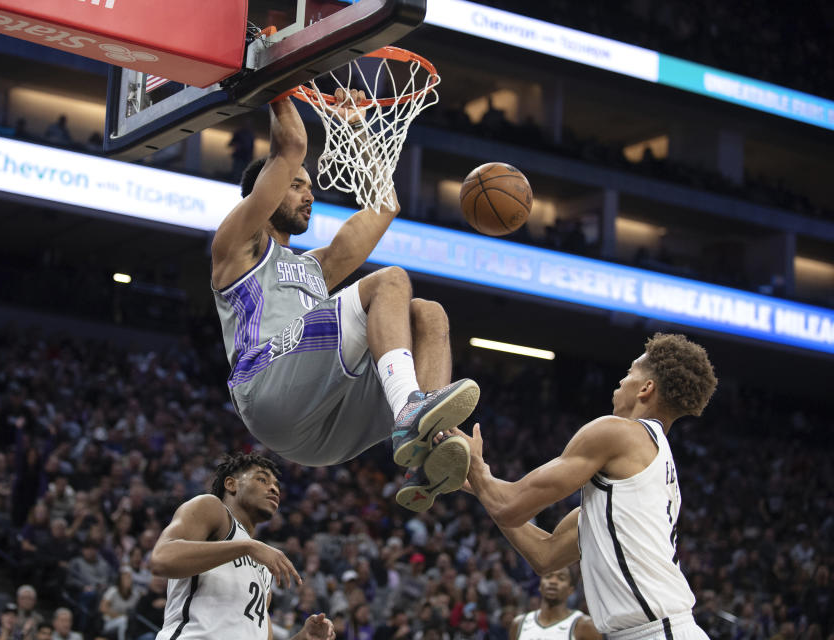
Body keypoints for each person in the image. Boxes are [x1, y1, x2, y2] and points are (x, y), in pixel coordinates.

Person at [211, 95, 478, 511]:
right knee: (391, 279)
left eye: (309, 187)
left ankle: (426, 449)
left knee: (430, 314)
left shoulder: (317, 266)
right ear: (263, 192)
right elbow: (292, 147)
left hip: (323, 434)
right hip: (266, 384)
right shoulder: (237, 247)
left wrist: (356, 126)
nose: (307, 195)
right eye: (296, 185)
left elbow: (385, 205)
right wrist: (279, 84)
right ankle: (411, 408)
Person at [450, 333, 718, 639]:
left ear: (646, 388)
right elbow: (545, 555)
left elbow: (509, 508)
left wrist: (476, 465)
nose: (620, 382)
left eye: (629, 373)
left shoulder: (618, 432)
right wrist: (477, 484)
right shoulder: (638, 483)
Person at [149, 452, 335, 640]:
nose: (274, 489)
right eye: (262, 479)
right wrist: (247, 547)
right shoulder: (211, 508)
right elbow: (162, 560)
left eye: (277, 486)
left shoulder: (262, 565)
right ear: (231, 484)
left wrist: (304, 637)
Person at [509, 567, 600, 640]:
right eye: (548, 576)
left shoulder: (585, 625)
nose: (553, 582)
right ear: (540, 586)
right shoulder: (519, 623)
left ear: (571, 590)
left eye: (561, 578)